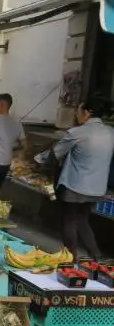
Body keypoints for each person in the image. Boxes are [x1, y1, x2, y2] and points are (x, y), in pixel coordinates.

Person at [51, 98, 114, 261]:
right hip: (98, 187)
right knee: (83, 219)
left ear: (86, 113)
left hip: (75, 185)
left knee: (69, 220)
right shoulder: (111, 132)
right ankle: (95, 255)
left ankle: (70, 258)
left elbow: (56, 153)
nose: (76, 115)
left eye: (78, 111)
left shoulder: (77, 132)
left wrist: (39, 161)